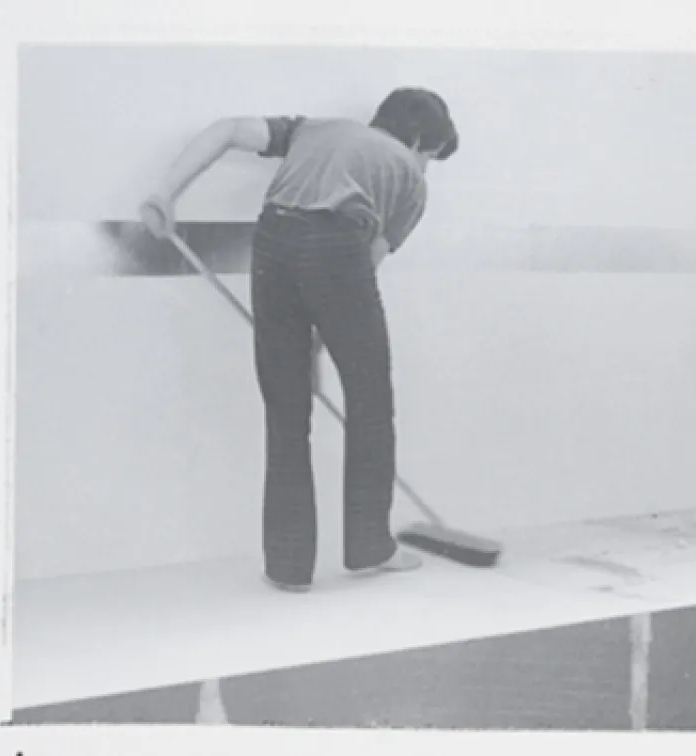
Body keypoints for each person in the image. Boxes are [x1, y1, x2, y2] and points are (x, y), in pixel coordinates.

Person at [140, 88, 459, 592]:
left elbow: (227, 128)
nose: (424, 168)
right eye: (431, 157)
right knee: (370, 402)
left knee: (286, 414)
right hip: (338, 249)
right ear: (419, 139)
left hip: (271, 242)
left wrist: (165, 193)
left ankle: (288, 566)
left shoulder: (314, 128)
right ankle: (370, 547)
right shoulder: (410, 181)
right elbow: (363, 269)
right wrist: (322, 344)